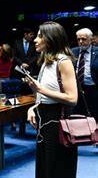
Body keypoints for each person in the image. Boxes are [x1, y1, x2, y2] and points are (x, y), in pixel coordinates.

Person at [25, 21, 78, 178]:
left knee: (57, 167)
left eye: (40, 36)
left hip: (57, 120)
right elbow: (44, 96)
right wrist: (33, 108)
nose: (35, 39)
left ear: (51, 38)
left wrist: (40, 89)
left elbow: (72, 98)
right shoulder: (47, 61)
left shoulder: (64, 61)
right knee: (45, 166)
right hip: (44, 118)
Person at [71, 28, 97, 121]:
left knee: (94, 116)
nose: (81, 42)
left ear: (91, 39)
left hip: (93, 89)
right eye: (78, 39)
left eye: (84, 39)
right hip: (76, 89)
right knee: (76, 116)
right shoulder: (72, 52)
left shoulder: (97, 52)